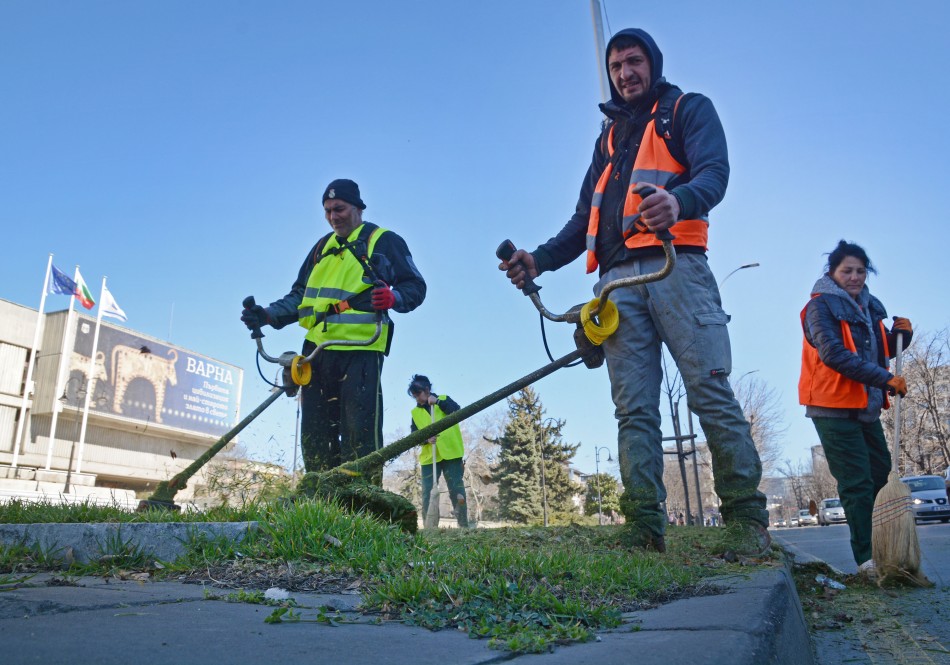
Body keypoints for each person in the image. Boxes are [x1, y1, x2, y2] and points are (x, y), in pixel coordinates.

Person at [499, 28, 769, 554]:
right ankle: (644, 525)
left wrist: (680, 201)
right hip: (617, 282)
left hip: (677, 268)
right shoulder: (607, 140)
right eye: (616, 66)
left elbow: (716, 173)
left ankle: (746, 519)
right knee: (634, 409)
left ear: (653, 64)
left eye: (633, 61)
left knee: (708, 390)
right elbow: (583, 222)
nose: (625, 73)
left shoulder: (688, 109)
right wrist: (540, 259)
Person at [241, 179, 426, 483]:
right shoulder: (321, 248)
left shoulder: (383, 241)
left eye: (338, 209)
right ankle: (319, 501)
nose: (333, 216)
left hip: (361, 351)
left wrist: (394, 298)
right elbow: (299, 295)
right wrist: (267, 315)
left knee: (359, 433)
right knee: (315, 432)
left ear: (357, 207)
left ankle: (364, 504)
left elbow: (415, 286)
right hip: (317, 352)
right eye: (327, 211)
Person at [798, 240, 911, 576]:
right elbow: (834, 354)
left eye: (860, 270)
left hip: (865, 406)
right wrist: (885, 379)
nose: (855, 276)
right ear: (832, 273)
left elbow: (876, 353)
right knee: (857, 483)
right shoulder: (819, 307)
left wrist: (901, 337)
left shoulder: (869, 306)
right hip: (831, 406)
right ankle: (867, 559)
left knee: (881, 475)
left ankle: (889, 549)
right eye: (847, 270)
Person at [408, 374, 469, 527]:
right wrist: (426, 440)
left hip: (451, 454)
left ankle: (464, 525)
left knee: (457, 489)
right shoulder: (415, 413)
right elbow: (414, 436)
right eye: (414, 396)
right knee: (428, 493)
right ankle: (430, 527)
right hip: (430, 457)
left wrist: (438, 402)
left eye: (418, 394)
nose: (417, 399)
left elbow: (457, 411)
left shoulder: (444, 399)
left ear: (427, 389)